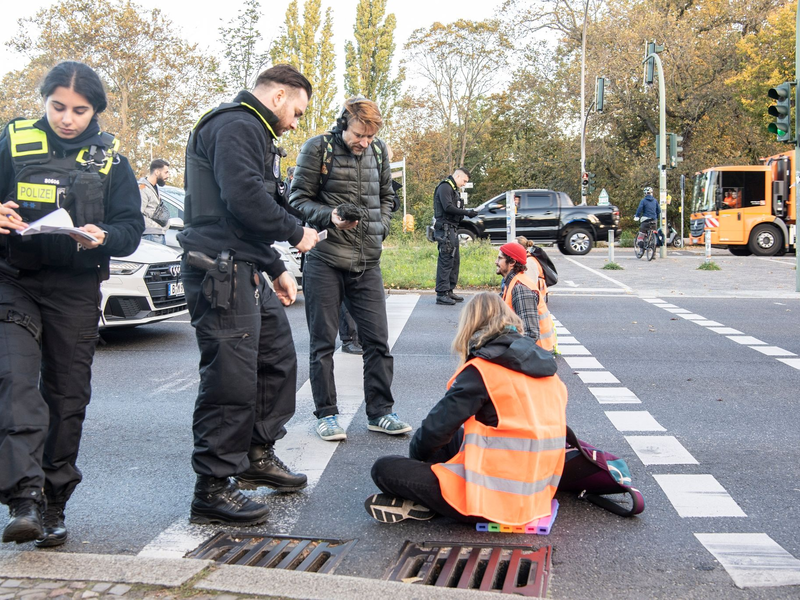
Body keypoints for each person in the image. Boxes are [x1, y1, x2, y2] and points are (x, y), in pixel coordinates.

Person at [0, 61, 144, 546]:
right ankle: (24, 499)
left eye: (79, 110)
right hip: (13, 280)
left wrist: (104, 237)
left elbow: (130, 229)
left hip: (76, 288)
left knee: (66, 396)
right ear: (44, 101)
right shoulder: (13, 141)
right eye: (57, 107)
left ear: (96, 111)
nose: (67, 118)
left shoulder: (112, 161)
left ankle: (54, 503)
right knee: (15, 383)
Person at [178, 64, 319, 526]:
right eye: (297, 111)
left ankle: (257, 455)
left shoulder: (253, 130)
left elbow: (239, 216)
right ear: (278, 95)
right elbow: (244, 201)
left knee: (276, 360)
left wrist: (275, 266)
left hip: (243, 265)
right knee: (230, 381)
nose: (296, 122)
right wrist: (296, 234)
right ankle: (212, 488)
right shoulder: (237, 124)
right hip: (219, 272)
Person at [365, 292, 567, 525]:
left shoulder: (483, 370)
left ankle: (431, 500)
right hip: (538, 492)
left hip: (495, 501)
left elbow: (434, 430)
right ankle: (431, 495)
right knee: (457, 438)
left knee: (384, 469)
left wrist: (417, 464)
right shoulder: (544, 367)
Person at [290, 97, 410, 442]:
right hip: (325, 260)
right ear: (344, 123)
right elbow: (296, 199)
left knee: (378, 343)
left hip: (367, 261)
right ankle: (327, 415)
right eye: (359, 134)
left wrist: (381, 225)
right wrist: (329, 216)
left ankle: (381, 412)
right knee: (323, 344)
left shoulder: (379, 151)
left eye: (370, 136)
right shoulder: (317, 148)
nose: (364, 143)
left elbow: (387, 196)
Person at [495, 242, 555, 352]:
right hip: (532, 351)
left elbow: (530, 335)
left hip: (536, 354)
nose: (496, 262)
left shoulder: (521, 289)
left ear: (512, 262)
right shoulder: (512, 282)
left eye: (499, 258)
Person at [433, 168, 476, 305]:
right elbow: (447, 207)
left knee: (454, 261)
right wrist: (467, 212)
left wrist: (465, 213)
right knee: (446, 260)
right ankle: (441, 293)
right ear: (457, 176)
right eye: (464, 181)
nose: (464, 184)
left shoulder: (454, 189)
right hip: (445, 229)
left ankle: (449, 290)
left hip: (452, 229)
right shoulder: (445, 187)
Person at [138, 158, 170, 244]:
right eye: (166, 172)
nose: (168, 176)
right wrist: (157, 226)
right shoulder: (143, 188)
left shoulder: (154, 187)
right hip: (149, 235)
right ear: (157, 172)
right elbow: (138, 214)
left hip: (156, 234)